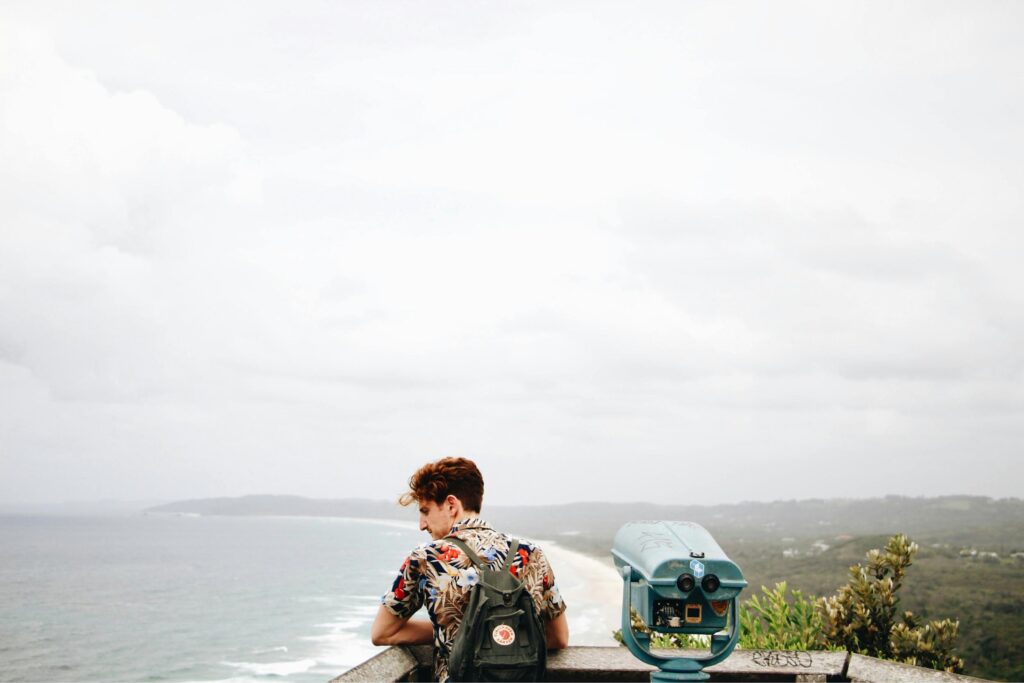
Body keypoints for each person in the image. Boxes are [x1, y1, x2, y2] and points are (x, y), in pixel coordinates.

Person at [371, 457, 569, 681]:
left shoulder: (426, 558)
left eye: (425, 511)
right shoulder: (531, 553)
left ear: (451, 505)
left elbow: (383, 633)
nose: (422, 524)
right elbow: (558, 638)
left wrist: (457, 631)